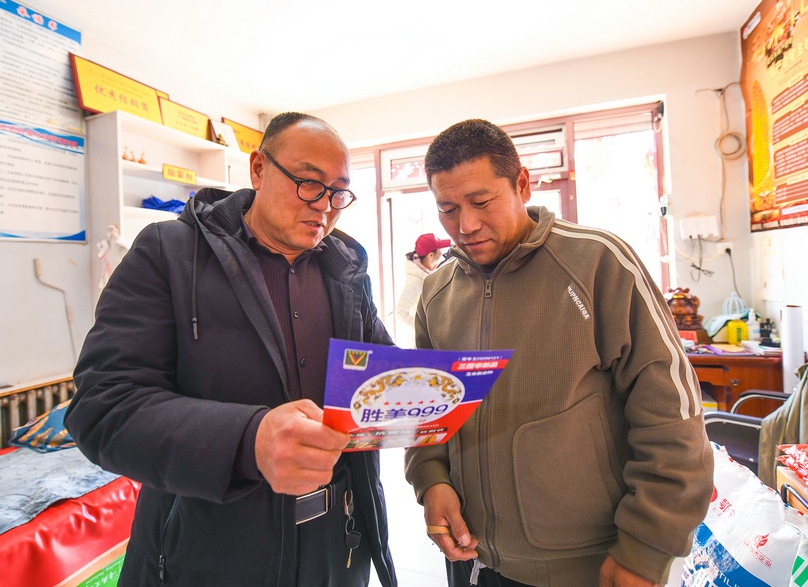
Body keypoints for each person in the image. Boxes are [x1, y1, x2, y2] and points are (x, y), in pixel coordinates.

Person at [65, 113, 397, 587]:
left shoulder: (346, 270)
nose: (325, 206)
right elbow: (103, 407)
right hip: (207, 549)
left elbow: (378, 373)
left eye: (339, 192)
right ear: (259, 169)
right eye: (308, 183)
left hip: (337, 545)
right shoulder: (168, 254)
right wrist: (248, 440)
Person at [404, 119, 714, 587]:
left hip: (593, 564)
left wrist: (645, 549)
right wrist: (431, 481)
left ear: (522, 184)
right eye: (447, 209)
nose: (465, 225)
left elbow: (674, 419)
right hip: (473, 557)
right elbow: (429, 413)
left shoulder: (598, 263)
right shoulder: (436, 293)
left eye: (481, 202)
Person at [393, 232, 451, 347]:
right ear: (431, 255)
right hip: (420, 344)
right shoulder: (414, 280)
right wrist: (423, 328)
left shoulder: (427, 275)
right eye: (440, 252)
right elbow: (401, 312)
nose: (442, 257)